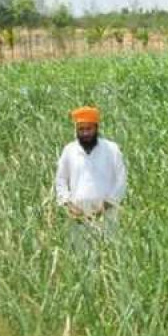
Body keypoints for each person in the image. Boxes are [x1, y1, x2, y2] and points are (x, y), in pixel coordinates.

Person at [55, 106, 127, 253]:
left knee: (108, 254)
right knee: (81, 256)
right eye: (81, 129)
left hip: (106, 214)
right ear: (76, 130)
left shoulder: (111, 149)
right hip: (79, 216)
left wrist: (107, 205)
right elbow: (61, 180)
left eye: (89, 129)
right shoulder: (69, 150)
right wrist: (68, 204)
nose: (86, 133)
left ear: (96, 128)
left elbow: (121, 179)